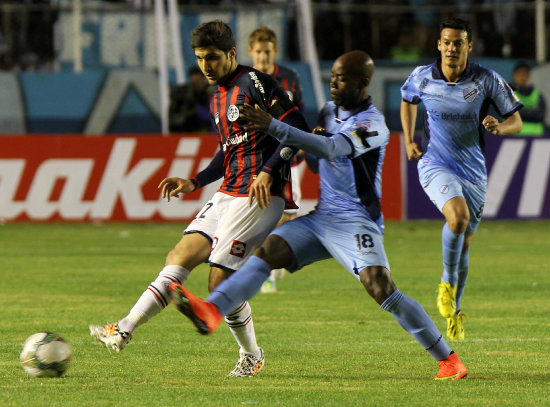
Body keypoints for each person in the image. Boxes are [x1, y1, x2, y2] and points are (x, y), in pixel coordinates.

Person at [169, 50, 468, 381]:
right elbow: (316, 161)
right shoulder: (328, 112)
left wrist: (276, 126)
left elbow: (331, 149)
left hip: (356, 221)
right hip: (323, 217)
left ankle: (448, 359)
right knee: (267, 252)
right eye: (332, 78)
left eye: (342, 79)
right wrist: (300, 145)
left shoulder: (373, 124)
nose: (334, 84)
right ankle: (212, 310)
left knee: (380, 287)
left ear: (363, 83)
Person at [90, 20, 309, 377]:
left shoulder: (256, 83)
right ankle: (124, 329)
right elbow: (227, 149)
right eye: (200, 59)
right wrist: (194, 181)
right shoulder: (217, 96)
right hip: (228, 192)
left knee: (220, 280)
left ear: (231, 54)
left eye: (212, 58)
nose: (206, 66)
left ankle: (251, 355)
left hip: (260, 196)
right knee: (179, 256)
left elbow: (297, 127)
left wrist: (269, 170)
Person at [400, 17, 523, 341]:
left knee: (465, 241)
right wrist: (408, 139)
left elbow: (517, 121)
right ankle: (445, 283)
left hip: (473, 171)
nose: (452, 48)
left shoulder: (486, 79)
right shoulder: (422, 77)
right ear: (439, 44)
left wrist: (500, 126)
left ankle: (454, 310)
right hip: (435, 163)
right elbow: (407, 100)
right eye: (446, 42)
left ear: (469, 46)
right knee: (457, 218)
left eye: (458, 43)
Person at [248, 25, 306, 293]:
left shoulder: (289, 78)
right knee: (262, 213)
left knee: (288, 214)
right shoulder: (245, 80)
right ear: (251, 52)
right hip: (256, 156)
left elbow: (299, 111)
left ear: (275, 51)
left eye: (267, 52)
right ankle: (268, 267)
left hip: (288, 156)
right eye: (258, 52)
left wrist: (304, 139)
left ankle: (276, 261)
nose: (262, 57)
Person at [168, 66, 213, 132]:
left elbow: (212, 116)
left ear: (204, 79)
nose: (196, 86)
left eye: (198, 81)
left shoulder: (211, 93)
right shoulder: (186, 94)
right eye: (194, 83)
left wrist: (195, 109)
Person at [510, 61, 546, 136]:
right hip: (515, 137)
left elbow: (540, 116)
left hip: (536, 136)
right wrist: (532, 112)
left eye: (525, 73)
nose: (522, 76)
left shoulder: (537, 95)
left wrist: (521, 111)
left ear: (529, 76)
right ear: (514, 76)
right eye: (519, 73)